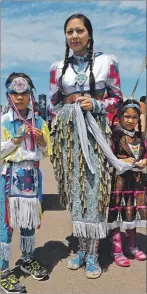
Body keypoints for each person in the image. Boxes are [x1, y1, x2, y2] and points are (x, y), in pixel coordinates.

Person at [49, 13, 132, 279]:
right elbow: (54, 104)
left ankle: (94, 254)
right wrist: (68, 113)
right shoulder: (57, 68)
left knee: (94, 192)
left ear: (89, 33)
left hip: (96, 135)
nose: (74, 36)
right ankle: (82, 249)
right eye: (70, 32)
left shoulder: (106, 62)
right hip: (70, 138)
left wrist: (96, 105)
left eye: (79, 31)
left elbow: (117, 98)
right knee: (76, 194)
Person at [0, 72, 52, 293]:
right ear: (8, 94)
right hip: (9, 177)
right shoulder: (3, 121)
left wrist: (40, 138)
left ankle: (27, 259)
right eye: (15, 93)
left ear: (30, 94)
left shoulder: (39, 121)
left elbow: (46, 150)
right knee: (6, 224)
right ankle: (2, 270)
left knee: (29, 223)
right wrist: (15, 140)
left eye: (24, 93)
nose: (19, 97)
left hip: (31, 178)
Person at [108, 99, 147, 267]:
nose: (130, 120)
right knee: (116, 214)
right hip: (118, 182)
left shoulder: (140, 137)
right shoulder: (114, 135)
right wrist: (121, 161)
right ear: (120, 116)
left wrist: (145, 161)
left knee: (131, 212)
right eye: (127, 116)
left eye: (135, 117)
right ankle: (116, 250)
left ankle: (132, 246)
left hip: (136, 182)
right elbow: (107, 157)